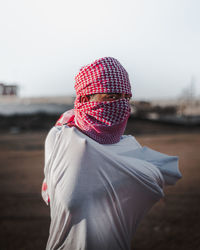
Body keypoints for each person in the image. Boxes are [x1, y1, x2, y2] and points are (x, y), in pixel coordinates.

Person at [42, 57, 182, 250]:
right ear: (85, 99)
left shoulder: (130, 149)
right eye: (111, 97)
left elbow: (166, 172)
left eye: (126, 98)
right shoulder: (60, 138)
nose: (122, 105)